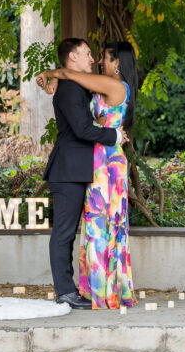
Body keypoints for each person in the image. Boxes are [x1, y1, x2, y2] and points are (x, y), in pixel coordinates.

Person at [39, 41, 138, 309]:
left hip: (105, 165)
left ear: (117, 62)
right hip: (83, 166)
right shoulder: (77, 85)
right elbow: (82, 125)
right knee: (86, 230)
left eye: (102, 57)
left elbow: (70, 75)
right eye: (89, 54)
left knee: (105, 227)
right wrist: (50, 76)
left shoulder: (113, 86)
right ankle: (83, 290)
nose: (96, 59)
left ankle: (102, 290)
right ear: (73, 57)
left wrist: (50, 74)